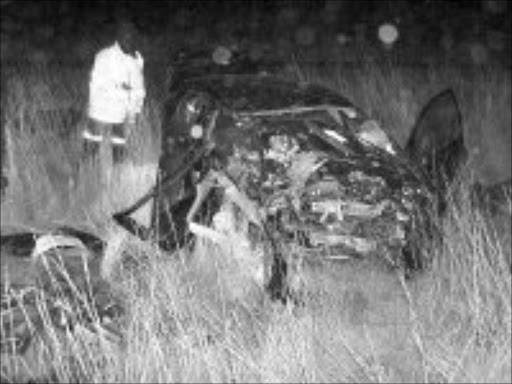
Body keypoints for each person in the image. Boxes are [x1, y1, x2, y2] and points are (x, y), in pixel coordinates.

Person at [81, 19, 146, 164]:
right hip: (100, 112)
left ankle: (116, 179)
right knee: (89, 154)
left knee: (119, 155)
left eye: (133, 37)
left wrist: (134, 113)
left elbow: (139, 91)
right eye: (127, 36)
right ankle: (81, 178)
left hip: (121, 116)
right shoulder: (104, 56)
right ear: (120, 37)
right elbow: (99, 86)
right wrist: (124, 91)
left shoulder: (135, 61)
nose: (131, 40)